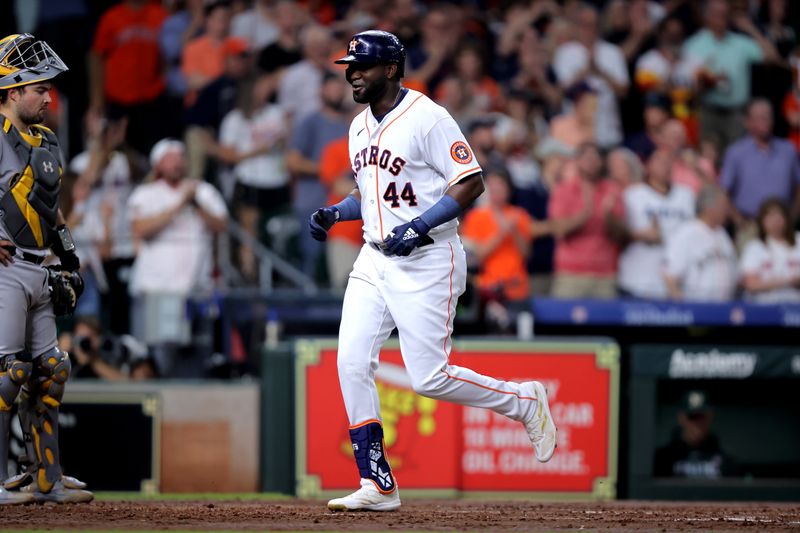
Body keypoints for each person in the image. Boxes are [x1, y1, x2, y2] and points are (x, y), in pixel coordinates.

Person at [308, 30, 556, 512]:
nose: (353, 74)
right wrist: (336, 212)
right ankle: (377, 483)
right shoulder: (359, 125)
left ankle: (523, 401)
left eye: (363, 66)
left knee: (429, 378)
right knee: (351, 362)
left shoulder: (427, 116)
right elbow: (371, 192)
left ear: (392, 70)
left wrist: (420, 226)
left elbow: (471, 182)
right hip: (373, 258)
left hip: (428, 259)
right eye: (350, 66)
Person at [0, 33, 92, 503]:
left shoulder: (47, 138)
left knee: (50, 370)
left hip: (39, 265)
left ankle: (45, 479)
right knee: (6, 373)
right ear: (13, 90)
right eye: (39, 87)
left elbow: (49, 208)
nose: (48, 96)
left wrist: (70, 255)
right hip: (5, 266)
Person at [127, 139, 228, 375]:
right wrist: (180, 202)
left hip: (197, 289)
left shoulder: (202, 191)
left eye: (181, 157)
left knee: (199, 355)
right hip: (158, 289)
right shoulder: (146, 193)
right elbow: (141, 229)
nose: (178, 163)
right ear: (158, 165)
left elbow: (221, 225)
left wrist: (195, 203)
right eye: (170, 158)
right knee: (161, 355)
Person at [548, 142, 626, 299]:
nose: (590, 162)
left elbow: (621, 236)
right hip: (571, 273)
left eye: (595, 158)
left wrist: (609, 217)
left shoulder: (612, 190)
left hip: (604, 273)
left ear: (602, 162)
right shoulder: (563, 190)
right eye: (586, 158)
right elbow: (557, 229)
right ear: (577, 161)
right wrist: (583, 216)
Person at [720, 99, 800, 246]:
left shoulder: (788, 150)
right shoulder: (736, 153)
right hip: (750, 225)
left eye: (768, 116)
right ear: (748, 122)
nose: (765, 120)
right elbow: (724, 192)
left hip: (782, 225)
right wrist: (739, 221)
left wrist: (792, 216)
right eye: (760, 117)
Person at [618, 150, 695, 299]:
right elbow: (615, 234)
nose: (665, 166)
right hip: (638, 280)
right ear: (648, 166)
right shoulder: (632, 194)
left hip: (676, 283)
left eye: (668, 162)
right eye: (660, 162)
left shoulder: (686, 195)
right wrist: (639, 235)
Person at [663, 186, 738, 302]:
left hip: (724, 309)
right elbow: (670, 276)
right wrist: (685, 310)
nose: (727, 211)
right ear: (709, 208)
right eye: (723, 206)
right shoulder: (686, 233)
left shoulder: (723, 234)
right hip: (698, 309)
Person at [654, 390, 739, 478]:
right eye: (692, 417)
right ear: (681, 418)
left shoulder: (726, 459)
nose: (697, 423)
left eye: (701, 416)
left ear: (710, 417)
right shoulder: (662, 458)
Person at [740, 198, 800, 303]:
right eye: (770, 217)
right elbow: (751, 284)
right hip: (765, 307)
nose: (775, 221)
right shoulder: (755, 246)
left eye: (778, 216)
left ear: (786, 218)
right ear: (762, 221)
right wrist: (788, 281)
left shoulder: (798, 240)